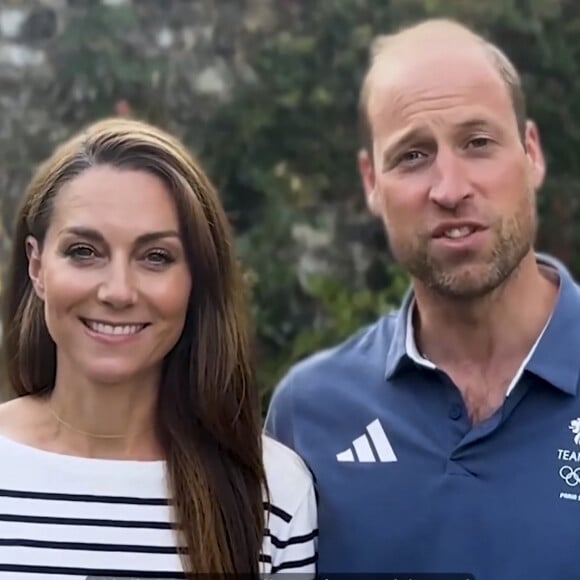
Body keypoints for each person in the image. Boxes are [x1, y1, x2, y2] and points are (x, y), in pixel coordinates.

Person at [266, 18, 580, 579]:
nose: (451, 187)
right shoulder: (309, 416)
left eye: (478, 143)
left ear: (531, 152)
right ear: (371, 182)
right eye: (412, 155)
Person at [0, 117, 317, 578]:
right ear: (36, 266)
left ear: (196, 281)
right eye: (84, 251)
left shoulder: (272, 493)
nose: (118, 291)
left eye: (156, 257)